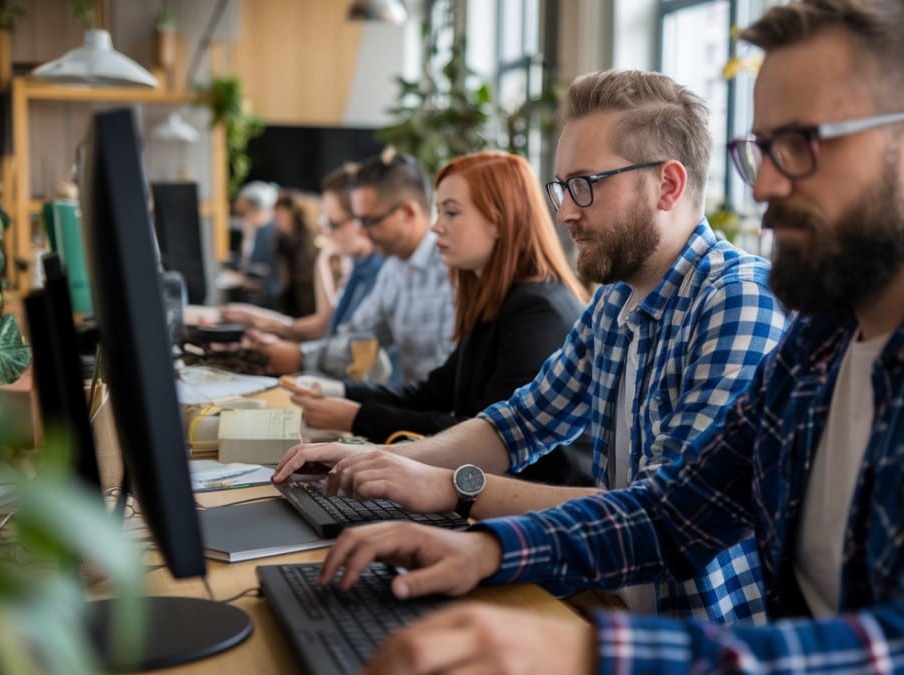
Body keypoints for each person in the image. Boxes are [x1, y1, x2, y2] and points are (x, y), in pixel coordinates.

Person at [300, 1, 904, 672]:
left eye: (801, 146)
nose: (765, 185)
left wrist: (588, 647)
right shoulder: (818, 344)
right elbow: (672, 514)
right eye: (761, 148)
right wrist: (483, 547)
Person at [276, 70, 788, 622]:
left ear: (667, 185)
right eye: (562, 187)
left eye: (586, 185)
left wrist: (452, 489)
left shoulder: (737, 301)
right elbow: (515, 426)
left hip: (692, 643)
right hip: (604, 604)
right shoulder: (615, 304)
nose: (566, 211)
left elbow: (659, 516)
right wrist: (377, 461)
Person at [290, 151, 595, 487]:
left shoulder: (537, 312)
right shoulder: (496, 300)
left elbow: (481, 437)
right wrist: (337, 391)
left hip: (528, 509)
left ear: (498, 220)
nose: (435, 227)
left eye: (451, 212)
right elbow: (431, 394)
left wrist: (357, 417)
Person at [247, 149, 456, 388]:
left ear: (408, 213)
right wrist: (297, 356)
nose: (362, 231)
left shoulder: (449, 270)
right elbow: (358, 337)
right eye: (358, 221)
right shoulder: (395, 269)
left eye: (370, 221)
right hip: (412, 413)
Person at [219, 165, 383, 341]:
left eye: (333, 224)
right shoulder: (357, 265)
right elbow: (329, 325)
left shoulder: (379, 273)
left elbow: (334, 334)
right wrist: (254, 319)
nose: (326, 231)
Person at [230, 180, 280, 307]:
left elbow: (274, 280)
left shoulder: (272, 234)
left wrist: (244, 281)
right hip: (249, 298)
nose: (247, 217)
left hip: (267, 301)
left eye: (249, 212)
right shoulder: (251, 230)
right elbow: (244, 262)